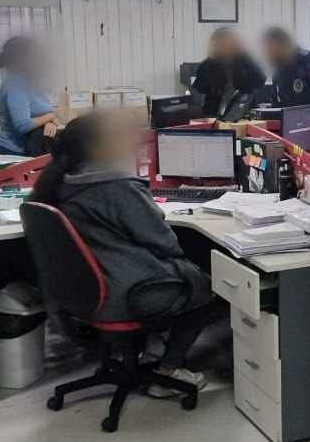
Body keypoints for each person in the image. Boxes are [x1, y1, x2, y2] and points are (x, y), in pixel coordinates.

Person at [28, 113, 222, 395]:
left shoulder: (60, 181)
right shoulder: (118, 186)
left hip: (85, 293)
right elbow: (164, 243)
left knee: (177, 269)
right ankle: (169, 368)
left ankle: (142, 354)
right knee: (202, 283)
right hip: (123, 293)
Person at [0, 36, 58, 156]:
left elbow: (44, 111)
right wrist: (50, 116)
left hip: (31, 148)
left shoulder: (28, 80)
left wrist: (49, 122)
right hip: (12, 153)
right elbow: (23, 124)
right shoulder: (15, 83)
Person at [261, 27, 310, 120]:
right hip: (296, 123)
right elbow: (277, 104)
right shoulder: (278, 74)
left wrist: (308, 115)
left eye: (270, 50)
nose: (267, 55)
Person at [193, 28, 267, 117]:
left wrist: (245, 54)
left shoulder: (244, 61)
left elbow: (260, 81)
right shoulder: (209, 64)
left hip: (244, 112)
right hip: (215, 113)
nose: (227, 45)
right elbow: (200, 88)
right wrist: (210, 61)